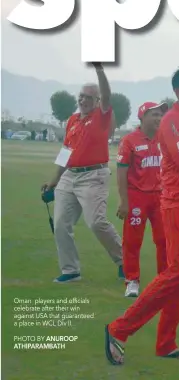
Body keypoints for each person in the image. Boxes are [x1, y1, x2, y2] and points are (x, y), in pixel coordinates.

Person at [105, 66, 179, 364]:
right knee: (176, 272)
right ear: (178, 92)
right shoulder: (171, 121)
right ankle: (119, 329)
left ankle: (166, 343)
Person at [41, 63, 123, 283]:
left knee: (96, 222)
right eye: (81, 96)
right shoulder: (72, 120)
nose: (83, 100)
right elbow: (66, 151)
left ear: (97, 101)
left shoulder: (102, 115)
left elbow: (106, 94)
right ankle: (70, 270)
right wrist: (54, 180)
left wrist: (99, 70)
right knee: (60, 224)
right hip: (69, 176)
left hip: (93, 176)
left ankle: (124, 259)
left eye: (89, 97)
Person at [116, 102, 169, 298]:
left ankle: (164, 279)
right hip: (137, 195)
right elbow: (121, 171)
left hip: (161, 196)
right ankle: (132, 280)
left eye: (160, 115)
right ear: (142, 116)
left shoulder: (164, 139)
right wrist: (124, 201)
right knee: (132, 241)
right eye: (154, 114)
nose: (158, 118)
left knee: (164, 239)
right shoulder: (130, 140)